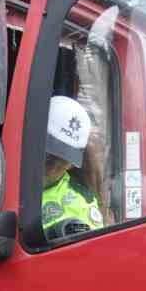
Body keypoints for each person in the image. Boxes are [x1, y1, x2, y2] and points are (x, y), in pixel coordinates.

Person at [42, 95, 104, 240]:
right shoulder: (2, 170)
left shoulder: (82, 203)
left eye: (63, 160)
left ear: (71, 164)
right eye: (49, 155)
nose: (53, 167)